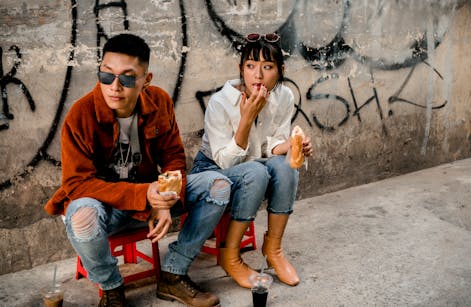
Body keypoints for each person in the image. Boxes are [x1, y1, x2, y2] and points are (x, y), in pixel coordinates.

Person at [44, 33, 229, 307]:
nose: (114, 87)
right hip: (108, 210)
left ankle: (173, 274)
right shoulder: (80, 115)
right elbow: (77, 183)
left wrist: (166, 200)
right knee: (81, 216)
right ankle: (112, 289)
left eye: (128, 78)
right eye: (106, 76)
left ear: (147, 80)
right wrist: (145, 195)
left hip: (152, 197)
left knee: (218, 185)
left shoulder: (160, 102)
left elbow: (174, 158)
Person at [190, 33, 313, 289]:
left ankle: (274, 249)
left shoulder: (284, 97)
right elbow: (224, 162)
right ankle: (230, 255)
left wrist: (291, 145)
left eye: (267, 67)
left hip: (255, 166)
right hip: (213, 171)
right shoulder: (221, 102)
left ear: (280, 70)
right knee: (256, 171)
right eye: (250, 66)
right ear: (241, 69)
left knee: (287, 164)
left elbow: (271, 146)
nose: (257, 75)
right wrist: (246, 119)